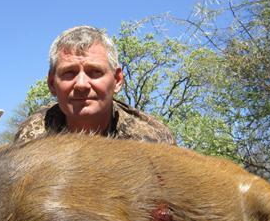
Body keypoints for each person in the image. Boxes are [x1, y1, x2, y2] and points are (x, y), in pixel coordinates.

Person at [14, 26, 176, 144]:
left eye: (95, 72)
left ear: (117, 80)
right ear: (51, 84)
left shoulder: (154, 140)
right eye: (69, 72)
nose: (81, 85)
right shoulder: (30, 138)